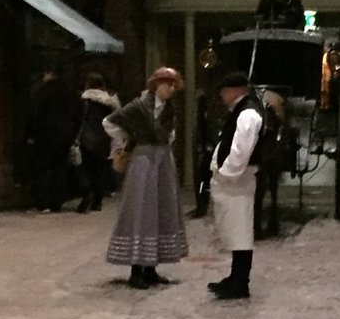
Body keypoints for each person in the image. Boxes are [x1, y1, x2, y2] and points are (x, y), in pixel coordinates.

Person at [104, 67, 188, 288]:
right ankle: (136, 269)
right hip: (144, 159)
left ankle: (151, 267)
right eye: (168, 84)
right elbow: (109, 122)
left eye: (174, 85)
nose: (171, 89)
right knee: (141, 210)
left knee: (161, 209)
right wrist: (130, 137)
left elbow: (170, 134)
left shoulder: (169, 108)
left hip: (163, 159)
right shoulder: (139, 106)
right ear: (156, 84)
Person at [208, 70, 266, 301]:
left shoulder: (247, 114)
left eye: (224, 91)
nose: (221, 96)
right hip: (236, 181)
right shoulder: (242, 110)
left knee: (240, 231)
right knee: (235, 230)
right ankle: (235, 276)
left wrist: (226, 174)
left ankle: (241, 282)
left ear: (235, 91)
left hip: (238, 181)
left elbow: (241, 150)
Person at [29, 67, 78, 213]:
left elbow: (36, 114)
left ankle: (43, 202)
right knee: (60, 168)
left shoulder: (42, 92)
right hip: (64, 133)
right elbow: (75, 113)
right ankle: (57, 201)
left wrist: (31, 134)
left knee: (44, 168)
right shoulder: (67, 92)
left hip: (45, 133)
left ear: (49, 74)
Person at [74, 71, 120, 213]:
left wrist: (76, 138)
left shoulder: (85, 101)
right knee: (101, 171)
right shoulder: (111, 102)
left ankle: (87, 192)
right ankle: (98, 202)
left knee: (85, 169)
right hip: (105, 139)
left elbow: (79, 120)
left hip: (87, 139)